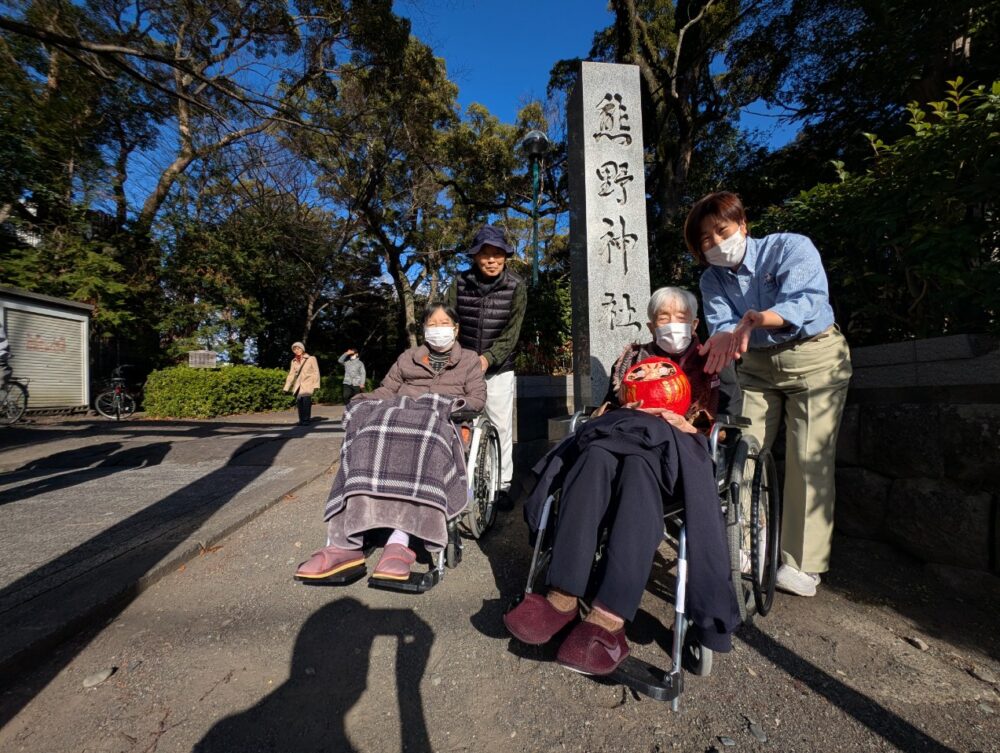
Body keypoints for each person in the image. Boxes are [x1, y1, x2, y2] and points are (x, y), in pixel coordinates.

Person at [503, 288, 742, 677]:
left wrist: (692, 423)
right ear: (650, 324)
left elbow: (730, 424)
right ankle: (562, 596)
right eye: (662, 317)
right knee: (594, 455)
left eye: (680, 316)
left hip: (676, 453)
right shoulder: (632, 357)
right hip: (622, 441)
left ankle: (609, 616)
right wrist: (616, 411)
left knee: (637, 471)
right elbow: (607, 405)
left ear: (695, 323)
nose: (671, 323)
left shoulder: (712, 358)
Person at [686, 190, 852, 598]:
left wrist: (760, 319)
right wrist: (725, 338)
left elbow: (806, 301)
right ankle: (742, 540)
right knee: (743, 449)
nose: (717, 244)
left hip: (813, 357)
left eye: (722, 231)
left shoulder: (790, 248)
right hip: (756, 367)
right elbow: (723, 326)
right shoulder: (711, 278)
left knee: (807, 456)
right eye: (705, 240)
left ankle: (802, 563)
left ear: (743, 225)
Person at [295, 303, 486, 583]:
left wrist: (443, 404)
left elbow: (478, 400)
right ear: (423, 329)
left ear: (456, 329)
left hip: (441, 421)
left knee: (424, 437)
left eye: (445, 323)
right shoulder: (408, 357)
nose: (439, 329)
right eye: (432, 324)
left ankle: (400, 538)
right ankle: (343, 542)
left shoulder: (469, 360)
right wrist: (360, 401)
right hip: (400, 415)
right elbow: (387, 390)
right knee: (366, 434)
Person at [446, 224, 526, 510]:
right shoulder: (459, 283)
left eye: (497, 254)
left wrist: (488, 358)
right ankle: (455, 481)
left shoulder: (516, 286)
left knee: (501, 426)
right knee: (456, 423)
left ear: (506, 256)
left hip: (499, 368)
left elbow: (511, 333)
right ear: (475, 257)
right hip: (462, 367)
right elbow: (449, 322)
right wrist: (458, 359)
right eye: (485, 254)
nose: (491, 260)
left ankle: (502, 485)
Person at [283, 342, 320, 426]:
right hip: (298, 385)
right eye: (295, 349)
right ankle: (301, 420)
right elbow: (291, 374)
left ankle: (306, 420)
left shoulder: (311, 358)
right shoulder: (293, 361)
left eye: (298, 348)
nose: (297, 350)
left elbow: (316, 372)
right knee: (300, 403)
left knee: (306, 402)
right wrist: (286, 387)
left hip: (308, 384)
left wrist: (316, 385)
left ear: (302, 349)